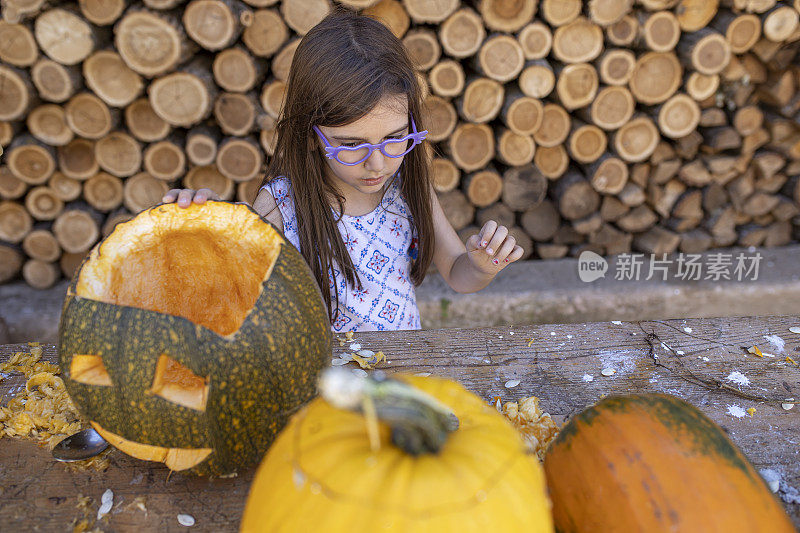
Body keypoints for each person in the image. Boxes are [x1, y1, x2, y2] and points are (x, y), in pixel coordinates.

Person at [163, 8, 523, 332]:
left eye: (395, 137)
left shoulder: (407, 186)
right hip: (327, 390)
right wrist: (202, 236)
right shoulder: (281, 206)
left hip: (405, 377)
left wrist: (482, 265)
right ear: (310, 134)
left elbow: (459, 274)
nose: (377, 163)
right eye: (351, 144)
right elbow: (228, 291)